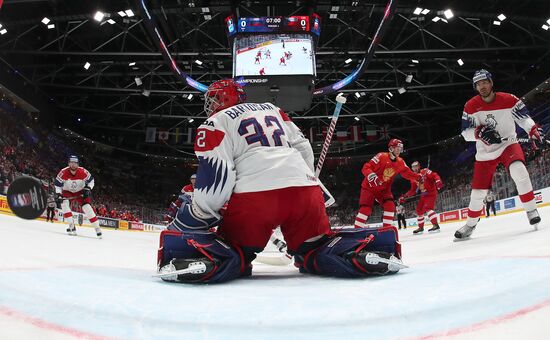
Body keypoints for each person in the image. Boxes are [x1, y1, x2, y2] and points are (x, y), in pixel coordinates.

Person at [156, 79, 406, 283]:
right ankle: (360, 253)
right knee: (314, 251)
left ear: (223, 99)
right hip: (305, 191)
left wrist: (201, 213)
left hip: (255, 198)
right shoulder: (272, 109)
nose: (209, 106)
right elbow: (304, 148)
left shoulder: (214, 123)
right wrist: (305, 181)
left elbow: (217, 177)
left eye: (212, 100)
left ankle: (209, 261)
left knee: (237, 253)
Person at [455, 69, 544, 240]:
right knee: (478, 193)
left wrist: (532, 129)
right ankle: (470, 225)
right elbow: (465, 133)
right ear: (475, 87)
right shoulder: (470, 106)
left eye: (485, 82)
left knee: (519, 172)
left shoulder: (509, 99)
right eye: (478, 84)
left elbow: (524, 119)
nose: (482, 86)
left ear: (491, 82)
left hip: (508, 144)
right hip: (485, 152)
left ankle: (531, 210)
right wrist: (479, 132)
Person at [354, 139, 422, 229]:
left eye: (400, 149)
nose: (399, 151)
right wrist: (371, 175)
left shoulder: (400, 162)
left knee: (390, 206)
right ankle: (356, 230)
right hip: (369, 188)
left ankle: (386, 230)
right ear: (390, 148)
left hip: (384, 189)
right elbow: (366, 167)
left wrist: (418, 177)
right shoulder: (381, 156)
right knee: (365, 209)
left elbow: (407, 173)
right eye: (397, 148)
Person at [54, 156, 102, 238]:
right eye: (71, 163)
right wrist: (58, 194)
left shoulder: (83, 171)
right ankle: (71, 225)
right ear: (68, 163)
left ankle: (97, 228)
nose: (73, 165)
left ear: (78, 164)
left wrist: (88, 188)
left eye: (75, 163)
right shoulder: (63, 172)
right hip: (67, 191)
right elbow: (57, 185)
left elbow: (91, 181)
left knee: (87, 208)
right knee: (64, 204)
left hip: (80, 191)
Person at [401, 161, 444, 234]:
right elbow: (413, 190)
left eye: (416, 166)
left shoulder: (425, 171)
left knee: (428, 208)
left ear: (419, 166)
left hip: (431, 193)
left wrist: (438, 181)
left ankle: (435, 225)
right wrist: (405, 196)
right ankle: (421, 227)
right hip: (423, 195)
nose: (415, 168)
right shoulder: (413, 178)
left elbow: (434, 175)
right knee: (419, 210)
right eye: (413, 167)